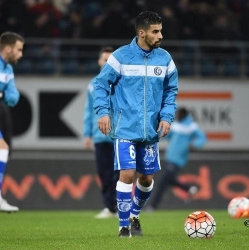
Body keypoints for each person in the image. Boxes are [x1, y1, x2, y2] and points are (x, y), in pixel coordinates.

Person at [92, 11, 178, 237]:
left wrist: (167, 117)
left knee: (146, 179)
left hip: (150, 130)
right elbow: (100, 85)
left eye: (161, 30)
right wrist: (102, 113)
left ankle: (134, 215)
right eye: (155, 31)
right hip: (125, 128)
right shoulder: (120, 57)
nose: (160, 35)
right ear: (142, 33)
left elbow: (171, 92)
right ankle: (123, 226)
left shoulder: (165, 59)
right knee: (127, 174)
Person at [146, 107, 206, 211]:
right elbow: (166, 135)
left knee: (162, 183)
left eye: (179, 114)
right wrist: (156, 133)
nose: (177, 116)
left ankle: (152, 206)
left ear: (184, 115)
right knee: (169, 180)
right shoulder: (176, 126)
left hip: (179, 158)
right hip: (170, 156)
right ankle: (189, 189)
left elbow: (202, 138)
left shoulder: (191, 127)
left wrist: (195, 144)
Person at [83, 46, 119, 219]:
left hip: (118, 135)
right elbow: (89, 111)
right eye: (104, 59)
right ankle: (109, 208)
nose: (106, 62)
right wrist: (87, 134)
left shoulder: (121, 81)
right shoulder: (93, 85)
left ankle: (120, 207)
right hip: (99, 137)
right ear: (99, 61)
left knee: (119, 175)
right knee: (104, 174)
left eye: (109, 60)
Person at [0, 31, 24, 212]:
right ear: (8, 48)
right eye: (18, 50)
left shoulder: (7, 69)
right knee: (2, 148)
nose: (21, 54)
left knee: (4, 148)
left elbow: (13, 97)